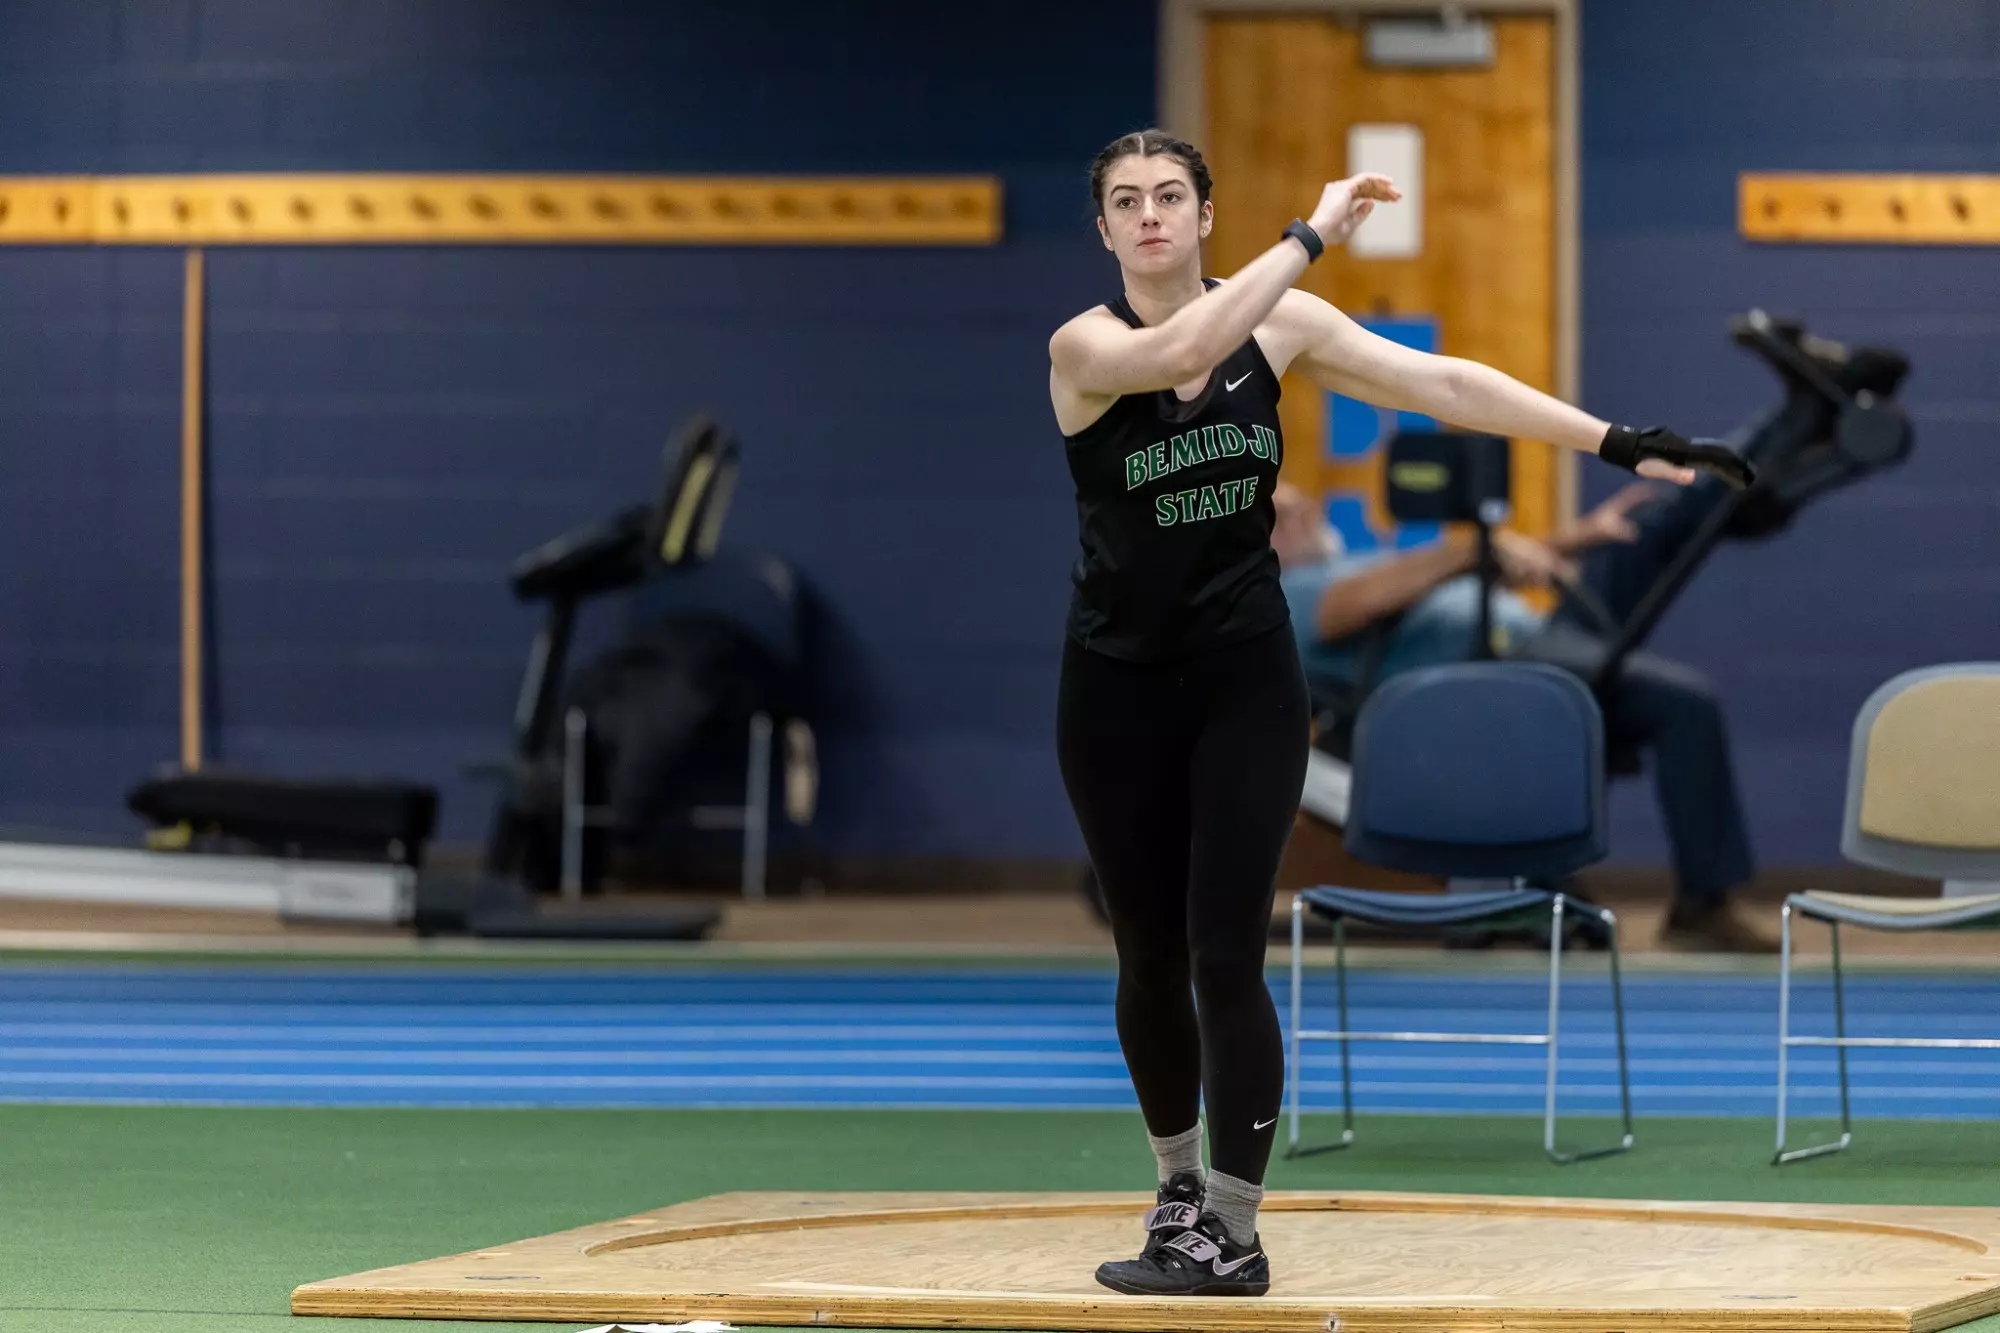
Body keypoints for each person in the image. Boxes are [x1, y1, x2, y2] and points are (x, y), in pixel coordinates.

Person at [1047, 127, 1749, 1299]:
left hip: (1244, 683)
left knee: (1224, 950)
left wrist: (1614, 440)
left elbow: (1445, 385)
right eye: (1126, 201)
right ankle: (1172, 1192)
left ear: (1204, 214)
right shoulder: (1083, 345)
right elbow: (1184, 344)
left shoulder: (1277, 321)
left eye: (1171, 194)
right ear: (1106, 229)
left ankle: (1231, 1226)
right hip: (1112, 686)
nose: (1151, 215)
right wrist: (1312, 235)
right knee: (1146, 949)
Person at [1270, 479, 1777, 954]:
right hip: (1490, 685)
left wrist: (1577, 537)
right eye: (1283, 514)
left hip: (1547, 643)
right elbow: (1358, 603)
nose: (1305, 514)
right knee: (1665, 676)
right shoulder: (1291, 589)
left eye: (1302, 504)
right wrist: (1473, 549)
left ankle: (1705, 903)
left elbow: (1498, 559)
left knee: (1683, 693)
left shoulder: (1363, 562)